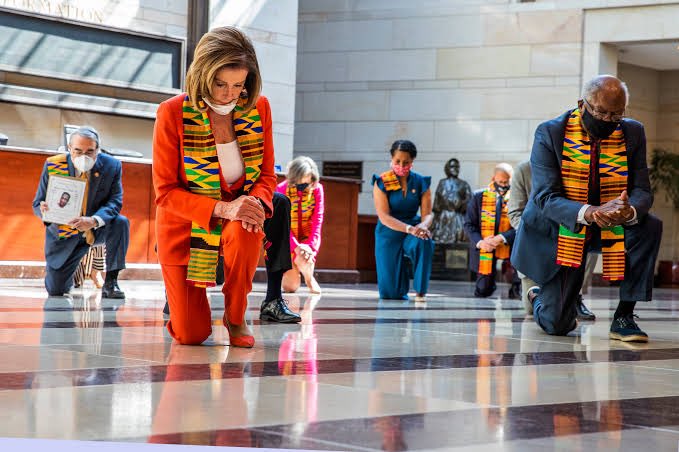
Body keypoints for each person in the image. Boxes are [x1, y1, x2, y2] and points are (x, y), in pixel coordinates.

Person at [152, 26, 300, 348]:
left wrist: (253, 203)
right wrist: (224, 208)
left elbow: (267, 175)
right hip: (186, 227)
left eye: (238, 85)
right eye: (220, 84)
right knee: (190, 335)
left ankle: (235, 315)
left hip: (239, 218)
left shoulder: (259, 107)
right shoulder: (172, 112)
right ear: (203, 75)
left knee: (247, 226)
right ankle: (186, 306)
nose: (229, 94)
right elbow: (165, 192)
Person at [512, 75, 662, 342]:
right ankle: (537, 294)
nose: (608, 120)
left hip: (609, 224)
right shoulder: (550, 132)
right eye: (601, 112)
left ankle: (624, 316)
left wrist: (628, 211)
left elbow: (642, 190)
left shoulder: (632, 132)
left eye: (616, 114)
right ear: (582, 104)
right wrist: (591, 211)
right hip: (562, 228)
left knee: (649, 225)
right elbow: (545, 197)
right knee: (558, 324)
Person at [32, 126, 129, 299]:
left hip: (96, 228)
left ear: (98, 150)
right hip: (66, 232)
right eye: (78, 151)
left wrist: (93, 220)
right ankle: (70, 275)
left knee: (120, 222)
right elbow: (37, 203)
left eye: (90, 151)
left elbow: (115, 201)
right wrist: (43, 210)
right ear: (69, 148)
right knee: (56, 290)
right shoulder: (54, 165)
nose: (84, 156)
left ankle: (111, 282)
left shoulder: (112, 165)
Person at [508, 160, 596, 320]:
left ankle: (575, 296)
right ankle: (537, 295)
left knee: (587, 240)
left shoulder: (580, 164)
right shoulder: (524, 170)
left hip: (571, 237)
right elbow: (515, 214)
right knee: (533, 310)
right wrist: (541, 236)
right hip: (537, 242)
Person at [372, 139, 434, 302]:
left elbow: (428, 214)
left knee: (424, 241)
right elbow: (384, 216)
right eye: (397, 161)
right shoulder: (382, 182)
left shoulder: (421, 182)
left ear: (412, 161)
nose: (401, 165)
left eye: (406, 162)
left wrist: (423, 226)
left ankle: (420, 291)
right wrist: (410, 229)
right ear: (391, 159)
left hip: (413, 229)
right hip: (388, 232)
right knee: (391, 294)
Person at [464, 163, 520, 298]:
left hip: (509, 243)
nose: (503, 185)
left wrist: (502, 237)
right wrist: (481, 242)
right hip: (486, 244)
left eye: (506, 182)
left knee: (518, 291)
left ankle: (516, 286)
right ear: (493, 178)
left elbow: (522, 225)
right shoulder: (478, 196)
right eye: (500, 182)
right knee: (483, 290)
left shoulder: (518, 197)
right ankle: (489, 282)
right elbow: (469, 225)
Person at [276, 156, 324, 294]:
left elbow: (317, 220)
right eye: (300, 184)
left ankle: (309, 278)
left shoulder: (317, 189)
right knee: (290, 287)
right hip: (287, 241)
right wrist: (296, 247)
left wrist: (310, 247)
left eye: (307, 182)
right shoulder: (281, 190)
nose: (304, 187)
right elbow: (281, 225)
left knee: (305, 258)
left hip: (307, 241)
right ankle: (292, 269)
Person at [430, 158, 473, 244]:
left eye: (457, 167)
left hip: (458, 218)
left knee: (460, 240)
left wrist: (461, 204)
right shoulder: (442, 183)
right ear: (447, 168)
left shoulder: (464, 184)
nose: (455, 169)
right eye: (452, 166)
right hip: (443, 218)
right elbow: (437, 203)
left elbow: (469, 201)